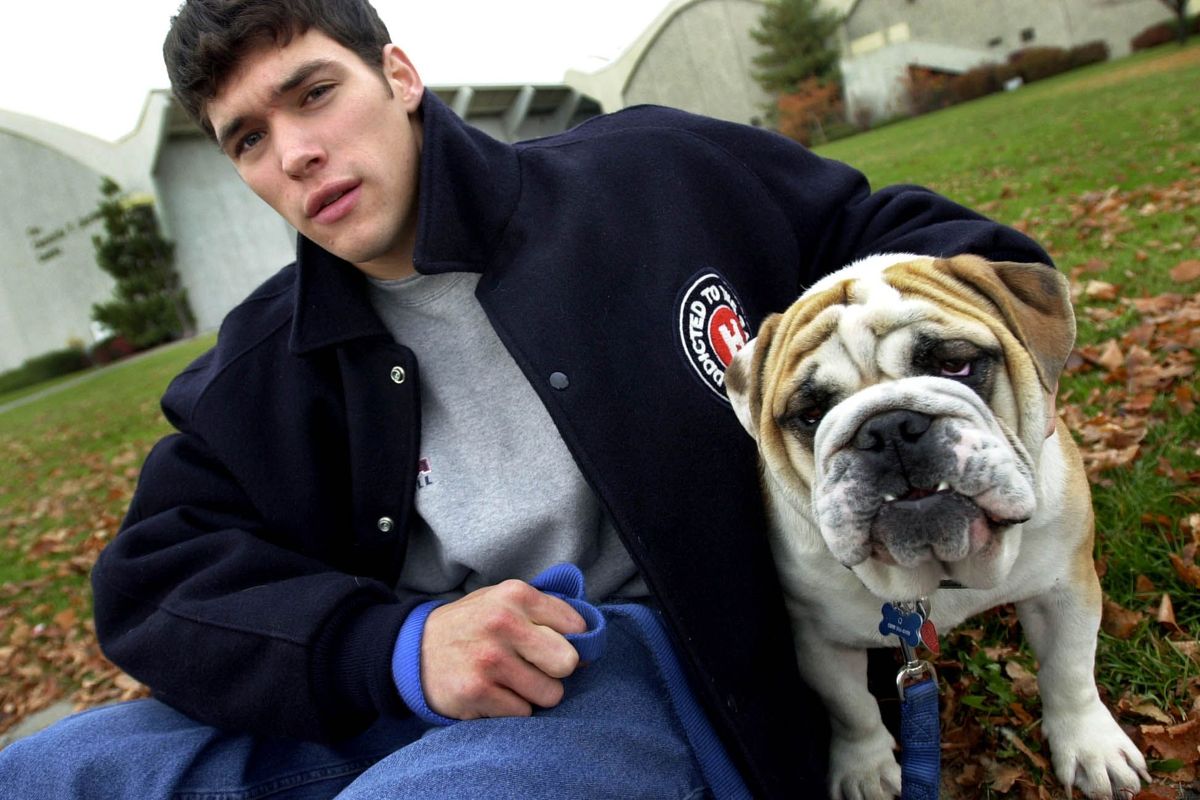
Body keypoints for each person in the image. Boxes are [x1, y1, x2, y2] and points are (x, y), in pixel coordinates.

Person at [0, 1, 1054, 797]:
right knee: (51, 766)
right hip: (388, 691)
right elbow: (153, 578)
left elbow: (933, 249)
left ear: (399, 73)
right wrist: (396, 649)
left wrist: (971, 420)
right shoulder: (268, 358)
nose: (294, 152)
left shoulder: (657, 176)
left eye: (313, 93)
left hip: (650, 662)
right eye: (247, 139)